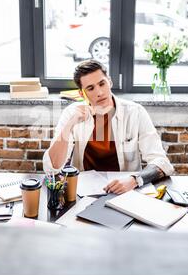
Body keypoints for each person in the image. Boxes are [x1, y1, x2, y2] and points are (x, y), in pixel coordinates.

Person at [43, 59, 174, 194]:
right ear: (82, 94)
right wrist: (70, 125)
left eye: (102, 83)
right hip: (83, 192)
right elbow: (52, 168)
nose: (99, 92)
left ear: (109, 82)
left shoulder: (135, 112)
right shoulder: (71, 113)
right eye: (90, 88)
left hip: (126, 190)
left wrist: (135, 180)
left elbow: (161, 162)